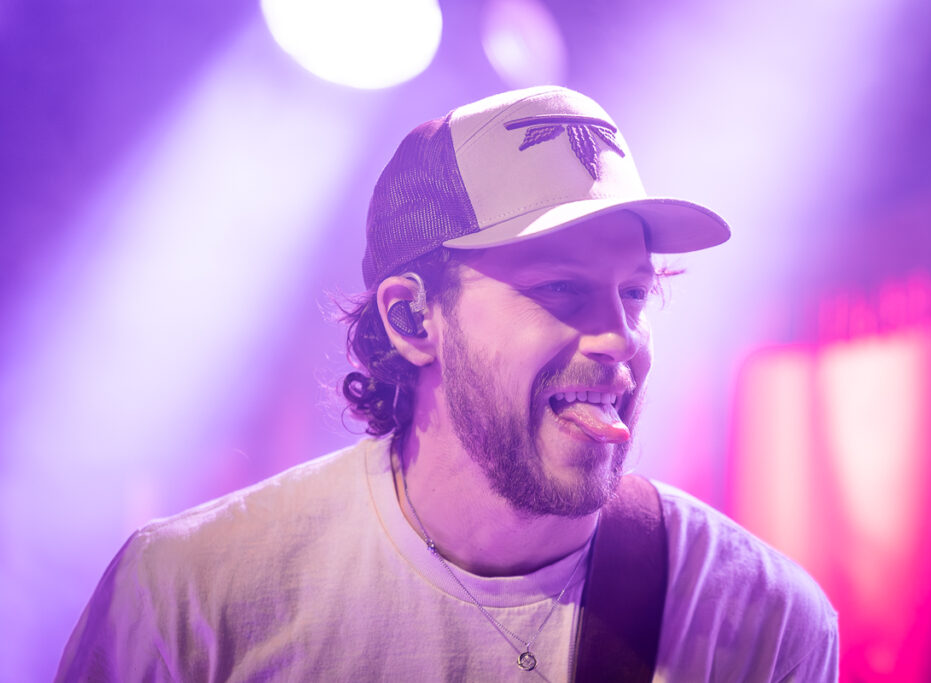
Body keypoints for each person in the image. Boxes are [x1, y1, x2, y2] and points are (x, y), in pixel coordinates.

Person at [57, 86, 838, 682]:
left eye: (635, 294)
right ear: (412, 318)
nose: (621, 338)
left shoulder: (764, 618)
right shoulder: (187, 597)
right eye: (562, 289)